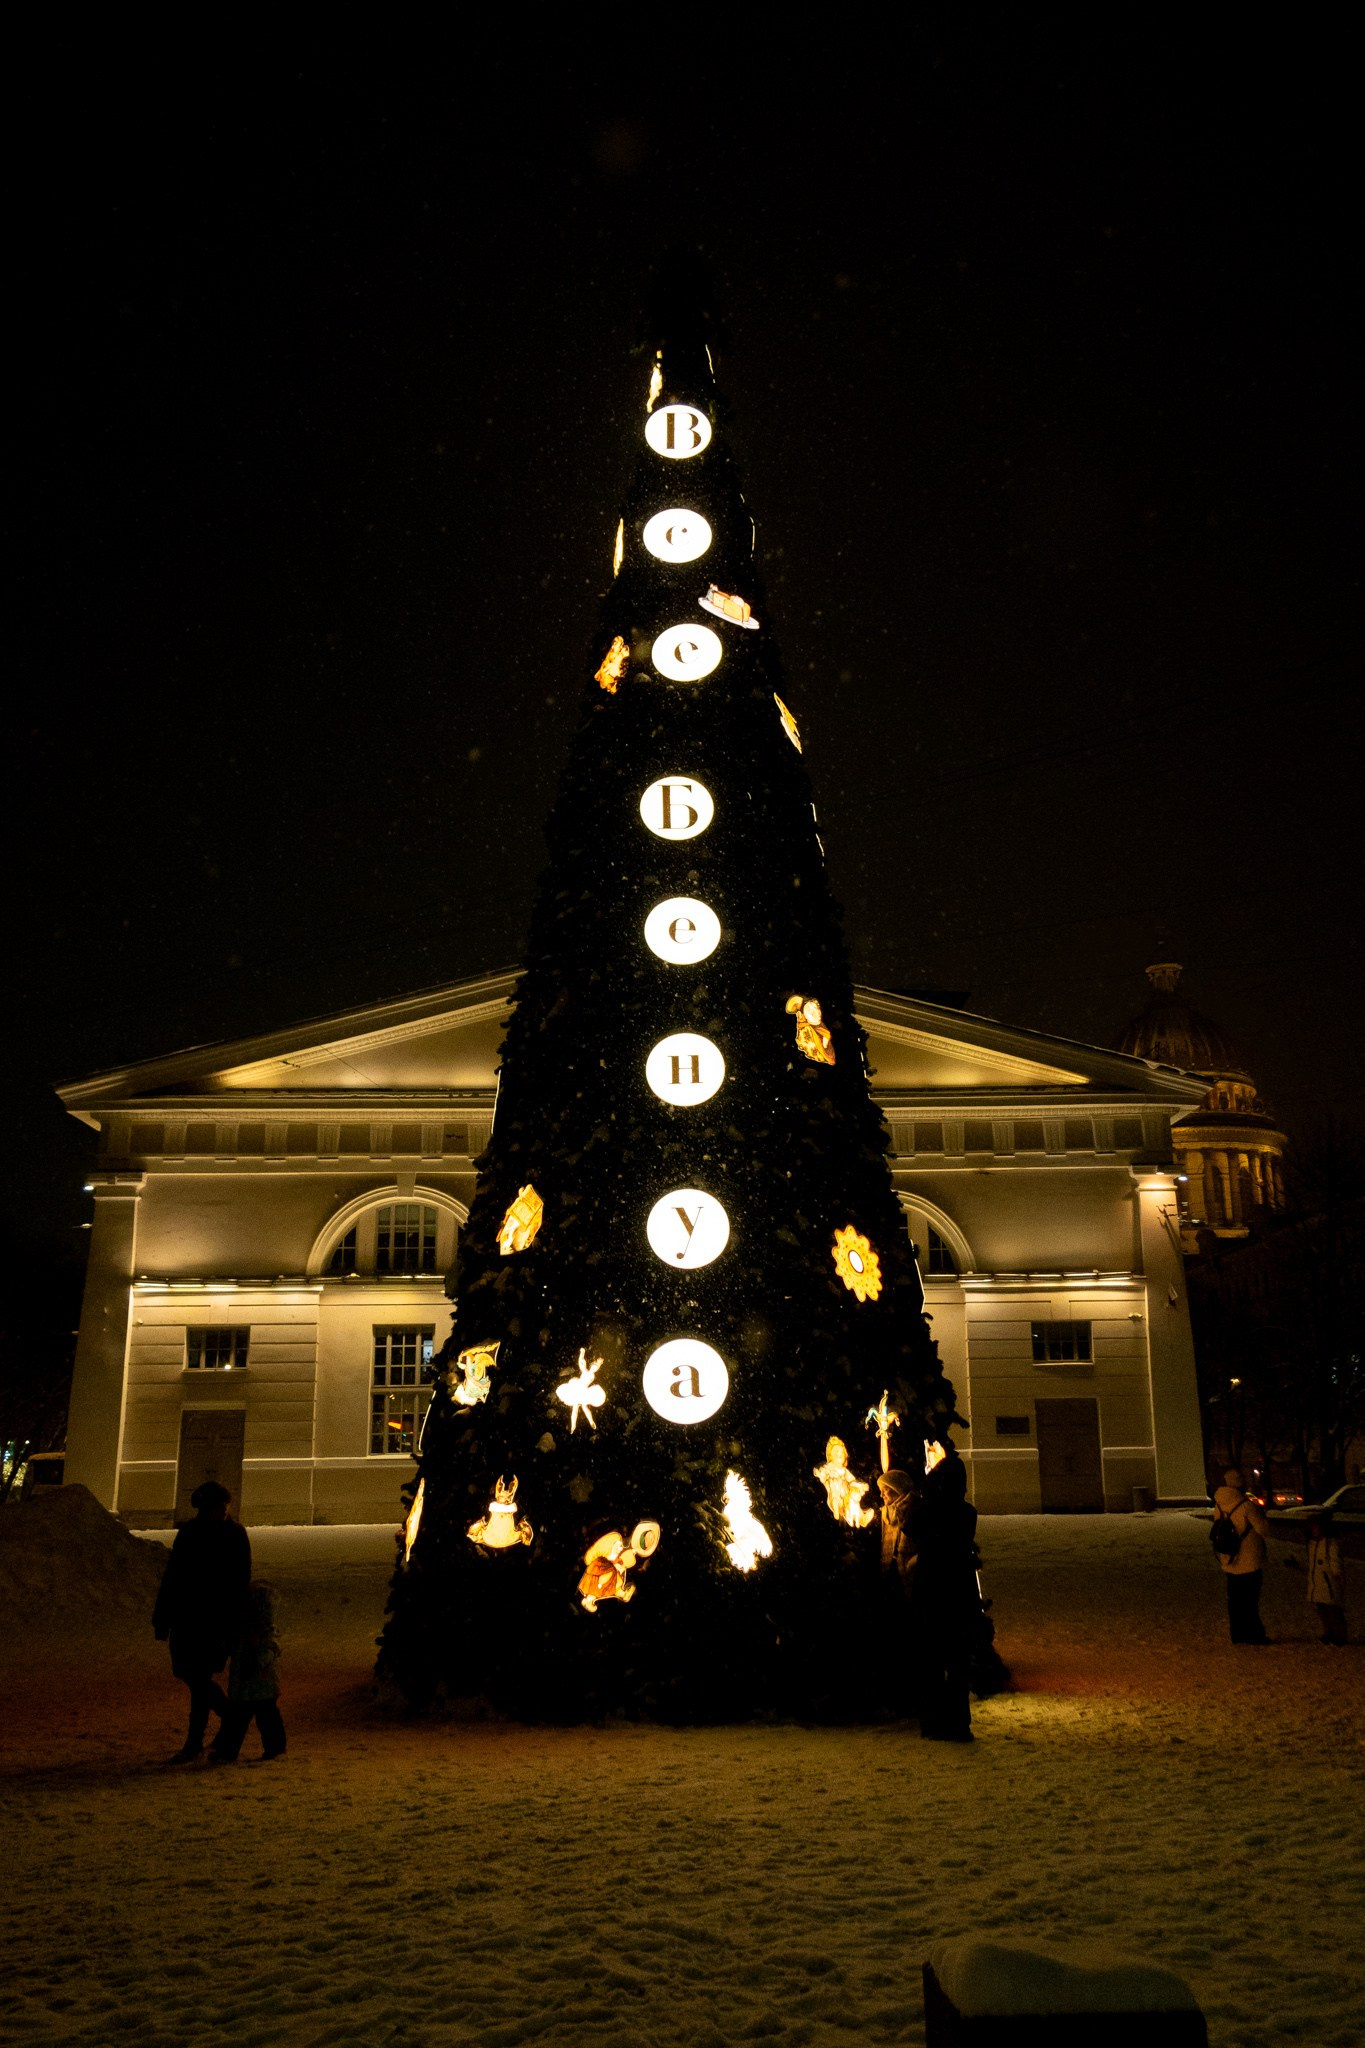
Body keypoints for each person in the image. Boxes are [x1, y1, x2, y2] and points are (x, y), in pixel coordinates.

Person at [152, 1480, 252, 1760]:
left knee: (197, 1677)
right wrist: (162, 1616)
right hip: (192, 1617)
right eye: (219, 1507)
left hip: (211, 1619)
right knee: (194, 1676)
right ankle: (216, 1728)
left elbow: (240, 1580)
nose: (224, 1511)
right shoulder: (197, 1533)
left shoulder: (227, 1533)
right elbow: (174, 1576)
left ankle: (212, 1729)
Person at [908, 1442, 979, 1741]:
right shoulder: (966, 1513)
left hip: (932, 1587)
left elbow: (911, 1528)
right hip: (959, 1589)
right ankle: (959, 1723)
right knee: (957, 1660)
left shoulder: (929, 1510)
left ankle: (934, 1722)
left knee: (932, 1659)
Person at [210, 1580, 286, 1761]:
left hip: (256, 1687)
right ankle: (231, 1751)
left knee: (250, 1720)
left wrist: (257, 1661)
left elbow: (266, 1654)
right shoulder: (247, 1635)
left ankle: (271, 1748)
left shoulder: (261, 1636)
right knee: (252, 1719)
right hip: (252, 1687)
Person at [1211, 1468, 1271, 1644]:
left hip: (1230, 1558)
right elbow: (1263, 1529)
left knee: (1235, 1600)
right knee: (1250, 1600)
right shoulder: (1246, 1506)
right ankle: (1254, 1634)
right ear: (1239, 1483)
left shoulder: (1219, 1505)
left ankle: (1237, 1633)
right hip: (1250, 1559)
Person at [1301, 1511, 1347, 1645]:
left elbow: (1335, 1560)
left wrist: (1337, 1574)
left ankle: (1340, 1635)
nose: (1314, 1530)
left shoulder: (1330, 1543)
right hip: (1317, 1582)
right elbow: (1311, 1563)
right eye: (1312, 1528)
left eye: (1316, 1527)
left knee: (1334, 1611)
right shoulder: (1311, 1544)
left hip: (1329, 1583)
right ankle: (1329, 1632)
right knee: (1322, 1611)